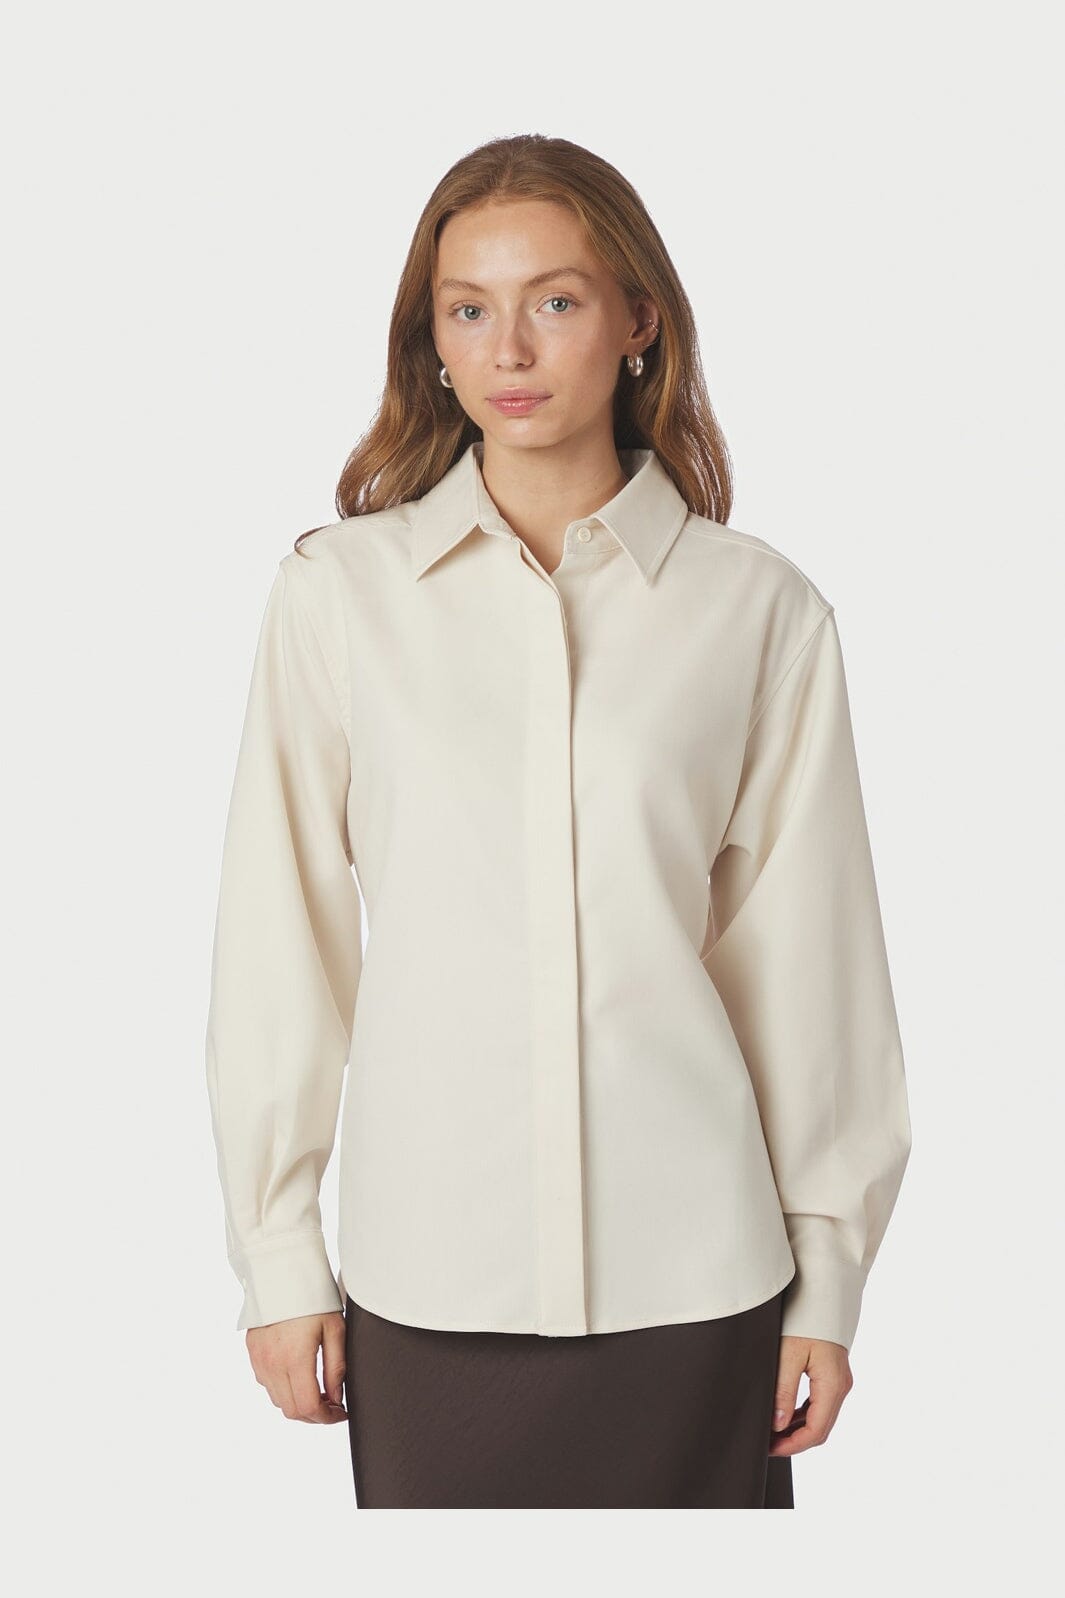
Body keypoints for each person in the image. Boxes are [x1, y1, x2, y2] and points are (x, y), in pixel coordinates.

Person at [204, 133, 913, 1510]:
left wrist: (827, 1275)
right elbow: (280, 942)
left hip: (697, 1283)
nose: (509, 349)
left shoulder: (756, 611)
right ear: (430, 339)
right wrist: (278, 1253)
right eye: (468, 308)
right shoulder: (338, 599)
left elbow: (810, 966)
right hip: (430, 1276)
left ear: (638, 319)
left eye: (557, 300)